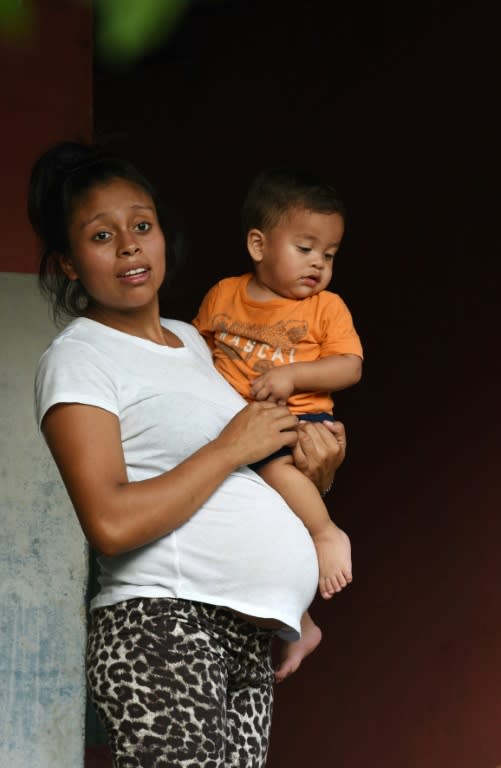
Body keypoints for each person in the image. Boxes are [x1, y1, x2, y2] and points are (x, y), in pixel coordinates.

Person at [30, 142, 348, 768]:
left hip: (242, 636)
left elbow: (244, 474)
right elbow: (111, 524)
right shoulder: (78, 358)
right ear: (69, 263)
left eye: (141, 226)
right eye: (101, 235)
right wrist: (233, 445)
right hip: (161, 629)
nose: (129, 246)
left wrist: (318, 475)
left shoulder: (190, 341)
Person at [193, 168, 363, 601]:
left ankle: (326, 533)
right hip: (233, 426)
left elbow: (349, 367)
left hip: (299, 421)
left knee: (272, 468)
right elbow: (193, 350)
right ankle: (299, 622)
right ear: (258, 245)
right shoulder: (223, 295)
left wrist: (293, 376)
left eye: (329, 254)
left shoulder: (326, 307)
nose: (318, 264)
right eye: (305, 248)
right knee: (244, 520)